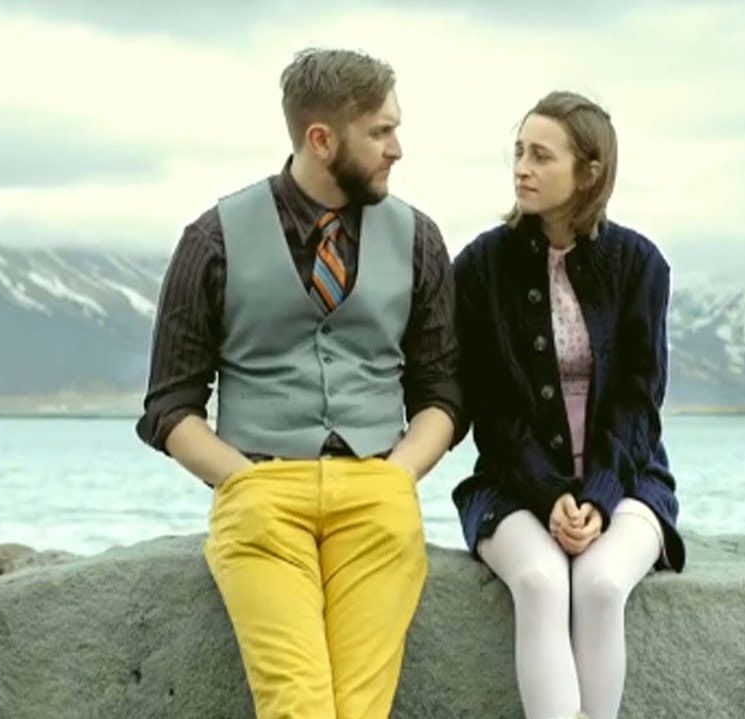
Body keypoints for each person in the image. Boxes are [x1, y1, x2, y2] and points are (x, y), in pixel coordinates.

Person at [136, 48, 461, 719]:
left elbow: (443, 394)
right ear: (321, 139)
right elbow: (170, 406)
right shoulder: (213, 238)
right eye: (380, 132)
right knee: (298, 703)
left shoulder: (419, 239)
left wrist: (397, 474)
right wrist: (242, 480)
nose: (397, 148)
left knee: (361, 707)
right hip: (261, 494)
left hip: (377, 491)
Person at [451, 90, 687, 719]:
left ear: (589, 172)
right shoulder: (480, 267)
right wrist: (548, 491)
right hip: (511, 484)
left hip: (629, 482)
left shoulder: (640, 265)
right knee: (540, 581)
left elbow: (639, 404)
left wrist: (599, 496)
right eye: (518, 152)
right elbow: (490, 410)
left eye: (541, 156)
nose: (522, 168)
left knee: (602, 584)